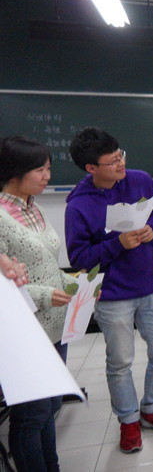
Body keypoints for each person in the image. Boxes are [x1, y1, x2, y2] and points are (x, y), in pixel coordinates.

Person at [64, 128, 153, 453]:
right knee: (120, 361)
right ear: (91, 168)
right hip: (112, 295)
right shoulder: (78, 205)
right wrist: (117, 245)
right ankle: (128, 420)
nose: (120, 164)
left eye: (120, 156)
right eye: (112, 161)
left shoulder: (139, 180)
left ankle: (152, 408)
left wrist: (152, 229)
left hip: (150, 285)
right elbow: (79, 258)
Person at [0, 136, 76, 472]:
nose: (48, 176)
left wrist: (75, 285)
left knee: (49, 408)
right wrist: (45, 294)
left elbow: (45, 262)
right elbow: (3, 284)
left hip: (53, 325)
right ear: (14, 172)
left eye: (48, 168)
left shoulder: (34, 207)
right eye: (40, 170)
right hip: (23, 330)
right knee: (31, 415)